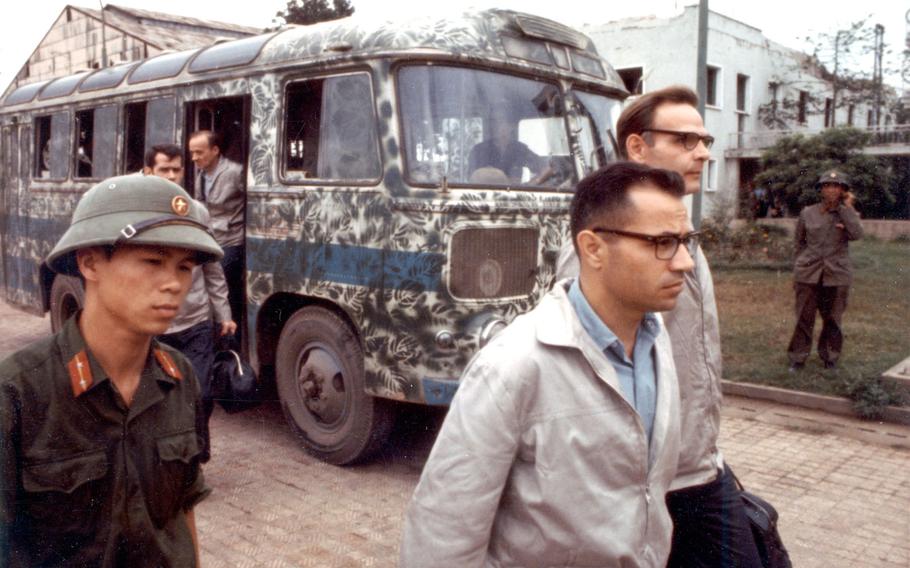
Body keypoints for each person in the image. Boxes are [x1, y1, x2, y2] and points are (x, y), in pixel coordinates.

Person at [400, 162, 695, 567]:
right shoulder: (515, 365)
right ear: (593, 248)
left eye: (685, 241)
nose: (684, 263)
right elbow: (444, 531)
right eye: (662, 242)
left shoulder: (655, 340)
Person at [557, 86, 764, 568]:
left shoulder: (680, 235)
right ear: (636, 146)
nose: (704, 152)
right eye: (686, 140)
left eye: (706, 140)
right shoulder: (608, 247)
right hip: (647, 481)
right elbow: (580, 372)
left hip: (698, 464)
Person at [0, 174, 222, 566]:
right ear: (89, 263)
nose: (174, 283)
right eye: (153, 261)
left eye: (185, 267)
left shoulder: (179, 376)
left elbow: (183, 509)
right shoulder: (19, 392)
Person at [144, 143, 237, 461]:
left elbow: (212, 267)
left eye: (176, 169)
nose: (171, 176)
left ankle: (195, 457)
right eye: (163, 170)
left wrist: (223, 313)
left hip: (196, 321)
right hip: (153, 325)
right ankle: (161, 459)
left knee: (202, 392)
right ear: (148, 172)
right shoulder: (138, 216)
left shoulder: (197, 212)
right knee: (157, 396)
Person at [787, 169, 863, 371]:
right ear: (821, 190)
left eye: (836, 186)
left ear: (843, 191)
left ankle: (830, 358)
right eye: (827, 186)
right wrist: (799, 267)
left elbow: (856, 234)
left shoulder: (847, 213)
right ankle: (797, 358)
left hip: (836, 274)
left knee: (833, 319)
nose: (831, 190)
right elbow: (799, 242)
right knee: (804, 316)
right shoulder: (808, 212)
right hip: (808, 272)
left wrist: (846, 209)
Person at [188, 130, 245, 343]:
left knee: (220, 288)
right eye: (192, 153)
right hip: (210, 238)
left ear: (215, 150)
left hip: (232, 240)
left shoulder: (235, 172)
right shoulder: (201, 174)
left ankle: (229, 343)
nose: (194, 158)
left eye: (199, 153)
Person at [467, 109, 548, 184]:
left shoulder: (520, 149)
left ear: (512, 126)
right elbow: (471, 181)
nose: (501, 127)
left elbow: (545, 168)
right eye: (496, 122)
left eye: (505, 122)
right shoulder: (478, 151)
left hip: (515, 198)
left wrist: (529, 185)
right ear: (491, 126)